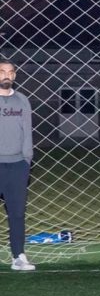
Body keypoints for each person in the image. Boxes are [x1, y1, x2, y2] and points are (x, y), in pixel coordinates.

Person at [0, 61, 36, 271]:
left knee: (17, 213)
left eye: (10, 72)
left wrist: (26, 159)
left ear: (14, 76)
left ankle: (18, 256)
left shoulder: (22, 100)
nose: (6, 75)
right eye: (2, 71)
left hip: (17, 165)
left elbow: (27, 131)